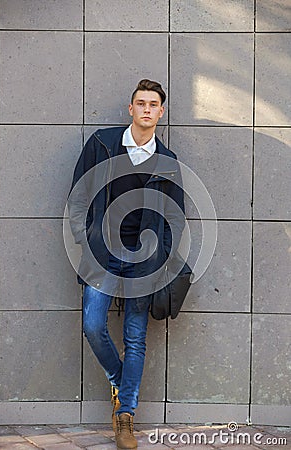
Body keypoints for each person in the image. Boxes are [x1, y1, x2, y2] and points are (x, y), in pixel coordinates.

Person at [68, 79, 187, 450]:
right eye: (141, 103)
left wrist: (162, 260)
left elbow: (175, 217)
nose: (147, 109)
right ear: (131, 109)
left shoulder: (168, 163)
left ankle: (126, 416)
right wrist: (85, 239)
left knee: (135, 338)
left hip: (145, 262)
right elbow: (78, 196)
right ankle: (122, 384)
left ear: (161, 113)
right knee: (92, 324)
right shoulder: (103, 144)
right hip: (102, 253)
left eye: (154, 104)